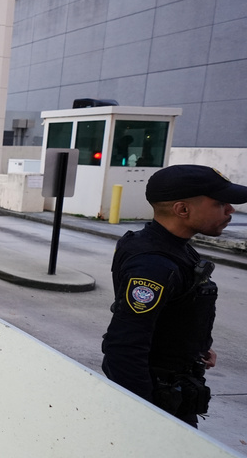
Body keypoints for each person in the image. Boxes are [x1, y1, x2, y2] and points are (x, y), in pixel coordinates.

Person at [101, 164, 247, 426]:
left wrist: (195, 345)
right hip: (159, 399)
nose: (230, 210)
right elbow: (123, 347)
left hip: (172, 386)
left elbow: (175, 309)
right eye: (220, 204)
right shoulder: (154, 265)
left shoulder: (172, 247)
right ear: (182, 209)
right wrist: (146, 416)